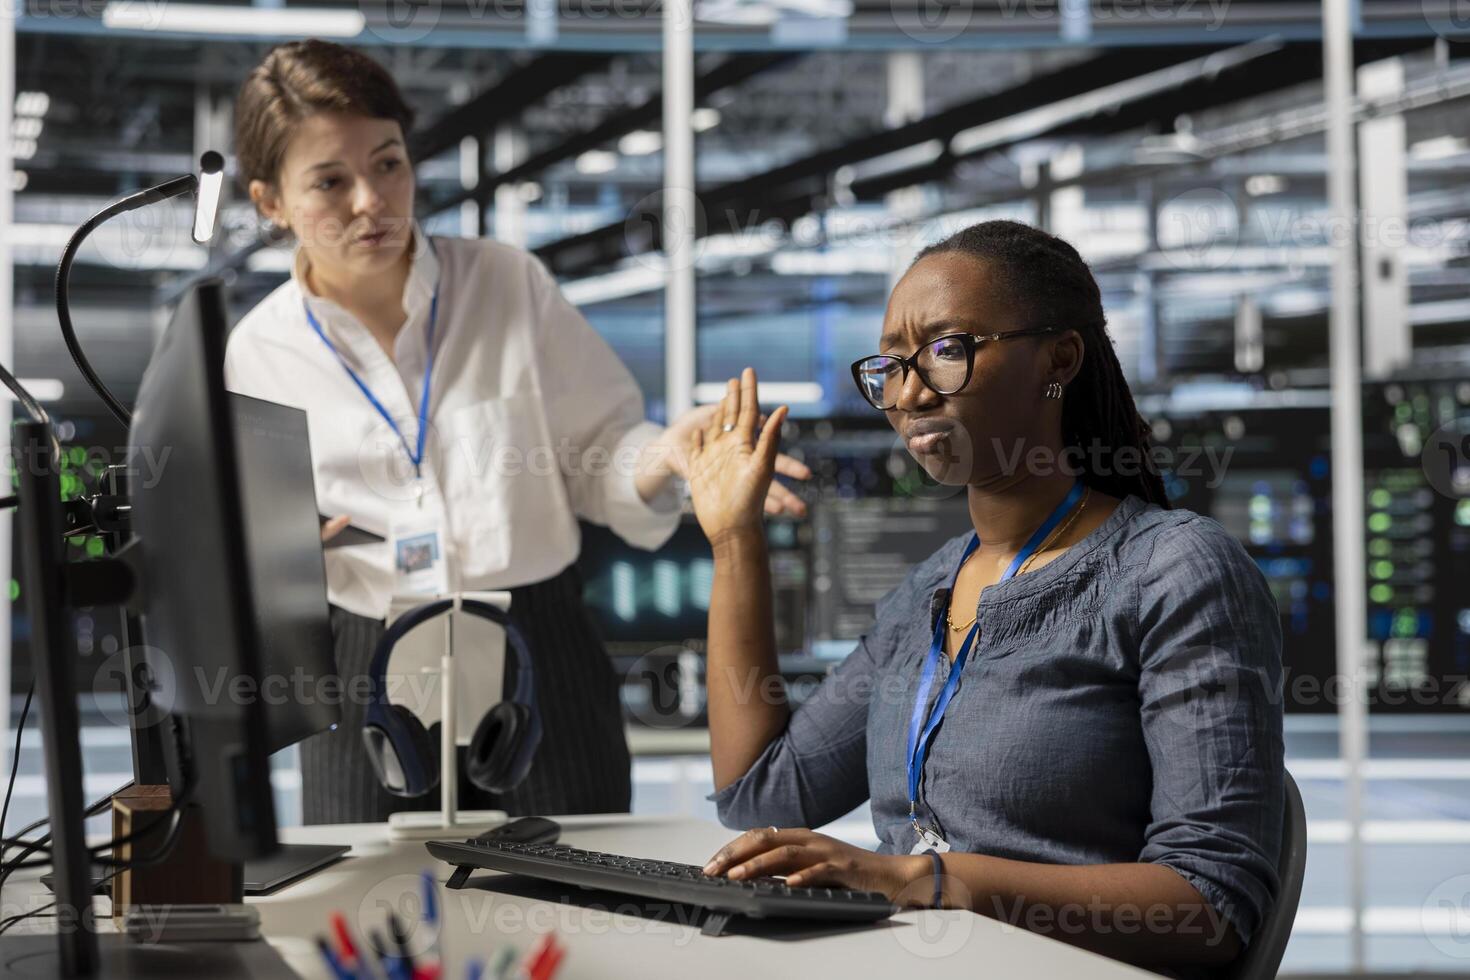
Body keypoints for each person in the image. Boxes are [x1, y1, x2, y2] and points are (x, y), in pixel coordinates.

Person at [223, 39, 809, 824]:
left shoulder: (504, 282)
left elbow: (598, 453)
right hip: (364, 652)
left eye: (389, 163)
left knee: (573, 875)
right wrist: (276, 554)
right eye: (330, 181)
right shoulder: (259, 352)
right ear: (271, 202)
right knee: (363, 888)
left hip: (537, 640)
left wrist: (662, 454)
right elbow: (247, 545)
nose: (371, 200)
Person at [687, 220, 1284, 976]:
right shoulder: (930, 589)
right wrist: (734, 539)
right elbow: (761, 794)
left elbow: (1209, 907)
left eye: (946, 349)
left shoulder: (1174, 568)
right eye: (891, 364)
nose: (908, 393)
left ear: (1058, 360)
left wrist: (925, 880)